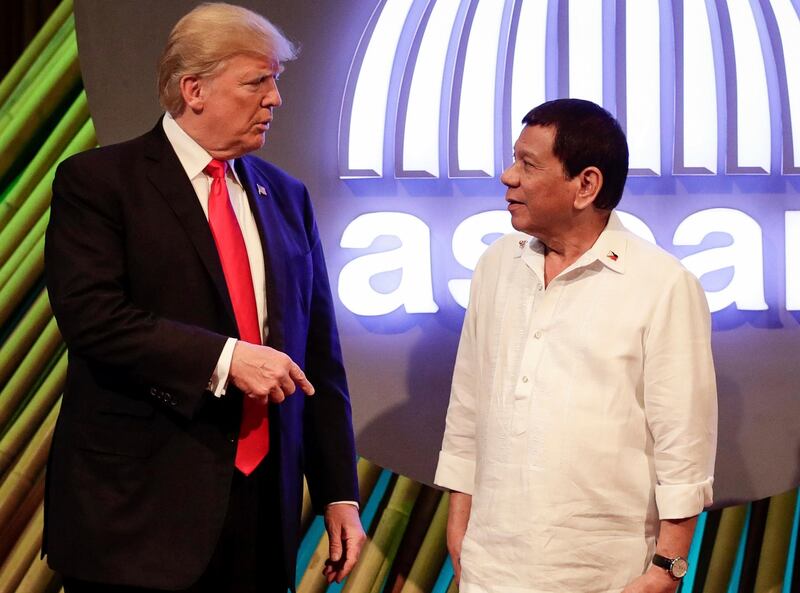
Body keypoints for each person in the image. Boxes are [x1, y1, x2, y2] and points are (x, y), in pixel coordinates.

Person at [43, 4, 365, 592]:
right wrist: (227, 359)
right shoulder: (98, 183)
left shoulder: (286, 195)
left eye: (276, 81)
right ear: (194, 89)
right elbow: (93, 318)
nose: (275, 98)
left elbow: (318, 354)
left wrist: (339, 492)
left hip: (263, 508)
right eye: (256, 81)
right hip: (137, 513)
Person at [434, 98, 717, 593]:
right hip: (489, 566)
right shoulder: (496, 264)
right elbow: (469, 404)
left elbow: (684, 440)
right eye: (513, 159)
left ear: (585, 185)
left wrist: (667, 567)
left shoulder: (662, 284)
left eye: (528, 164)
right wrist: (460, 524)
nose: (507, 176)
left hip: (605, 571)